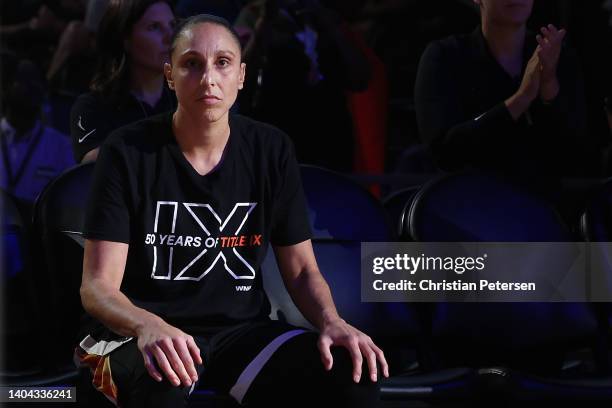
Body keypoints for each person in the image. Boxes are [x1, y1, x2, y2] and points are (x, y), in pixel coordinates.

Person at [76, 13, 388, 408]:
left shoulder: (270, 149)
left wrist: (332, 321)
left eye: (222, 63)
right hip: (136, 332)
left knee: (351, 372)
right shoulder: (126, 150)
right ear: (170, 75)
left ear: (241, 75)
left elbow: (302, 270)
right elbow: (97, 288)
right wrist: (148, 325)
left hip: (240, 333)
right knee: (163, 385)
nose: (208, 77)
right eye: (192, 63)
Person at [415, 0, 588, 177]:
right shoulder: (446, 57)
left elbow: (577, 154)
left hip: (545, 200)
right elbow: (445, 152)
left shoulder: (557, 55)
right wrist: (522, 97)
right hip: (471, 198)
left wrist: (548, 86)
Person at [70, 0, 176, 163]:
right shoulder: (92, 107)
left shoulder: (186, 98)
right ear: (125, 39)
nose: (171, 37)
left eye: (172, 25)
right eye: (154, 27)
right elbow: (92, 167)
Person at [0, 59, 75, 207]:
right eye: (23, 80)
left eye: (36, 82)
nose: (31, 88)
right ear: (5, 88)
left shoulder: (62, 147)